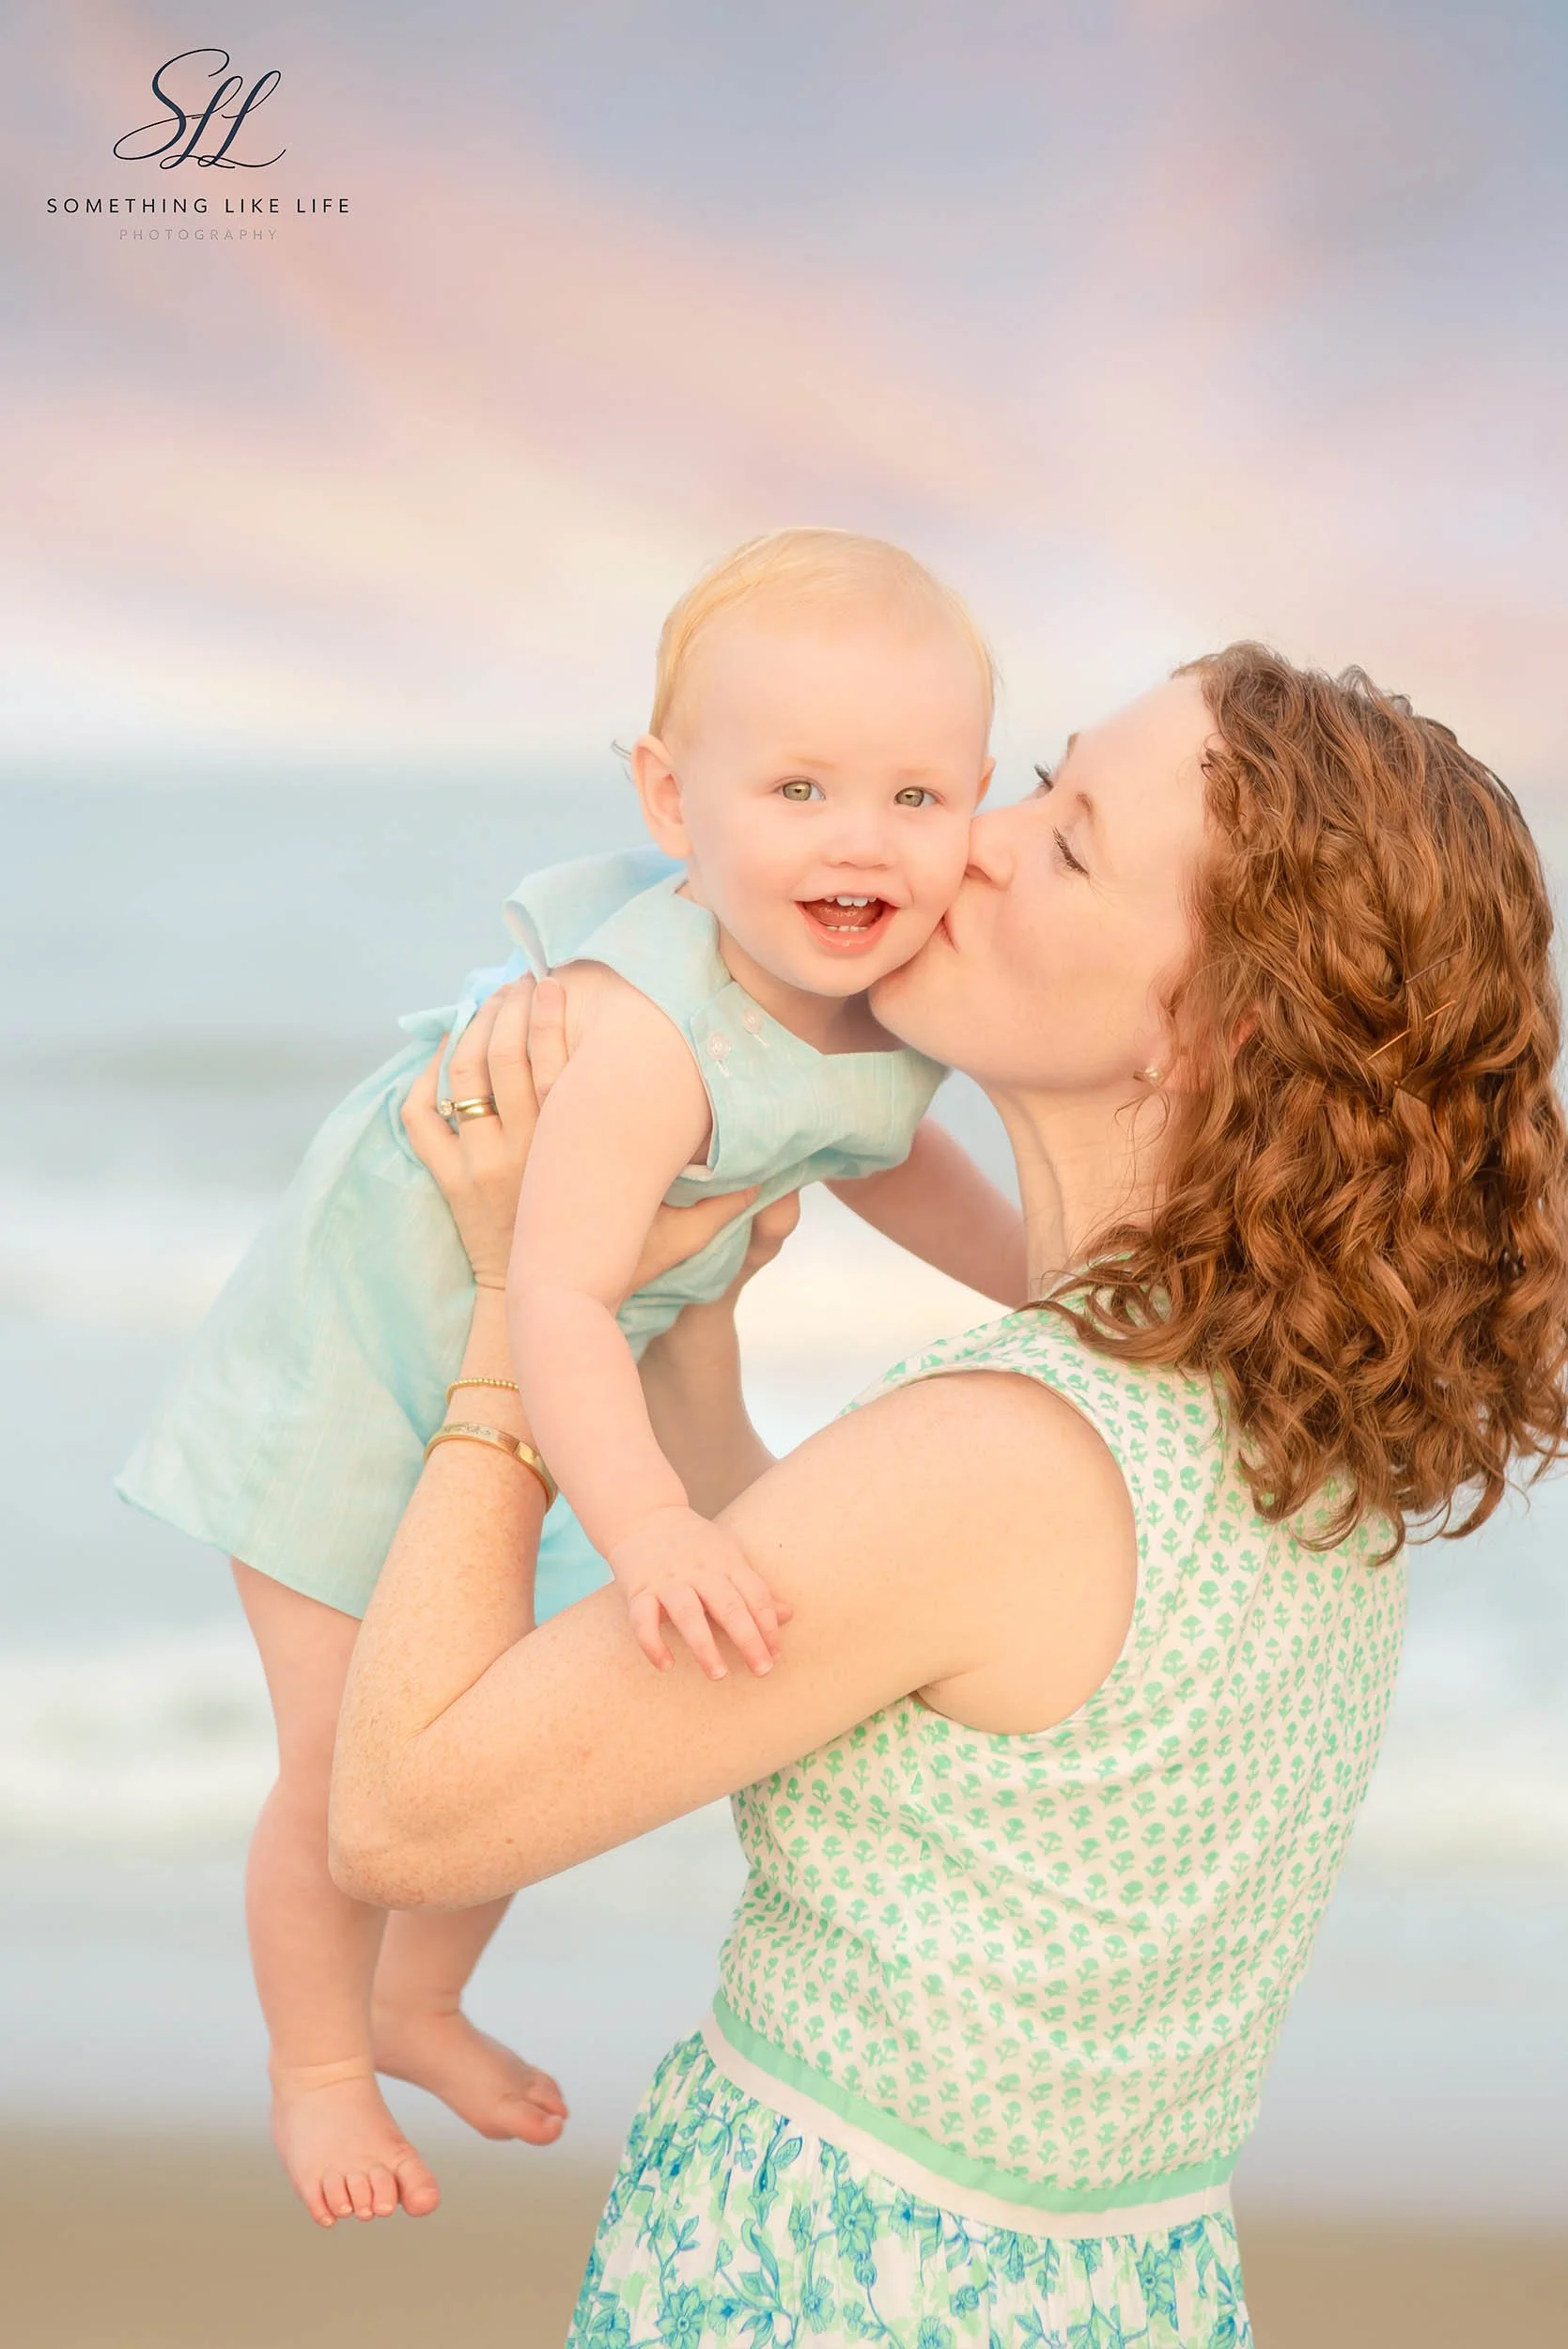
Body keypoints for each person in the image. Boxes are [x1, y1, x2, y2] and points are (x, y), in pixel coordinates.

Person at [331, 644, 1568, 2343]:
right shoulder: (1295, 1436)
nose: (974, 837)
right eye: (1038, 781)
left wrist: (509, 1314)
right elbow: (882, 1683)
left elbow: (407, 1812)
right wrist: (684, 1359)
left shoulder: (1007, 1453)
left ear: (1221, 1027)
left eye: (1066, 841)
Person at [116, 527, 1026, 2228]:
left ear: (979, 802)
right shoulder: (641, 1031)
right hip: (361, 1373)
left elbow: (895, 1162)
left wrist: (1062, 1286)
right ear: (673, 804)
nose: (860, 840)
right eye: (802, 788)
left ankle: (419, 2001)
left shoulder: (874, 1008)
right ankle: (318, 2067)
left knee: (506, 1732)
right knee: (342, 1764)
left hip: (564, 1390)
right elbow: (547, 1289)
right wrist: (656, 1523)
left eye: (917, 798)